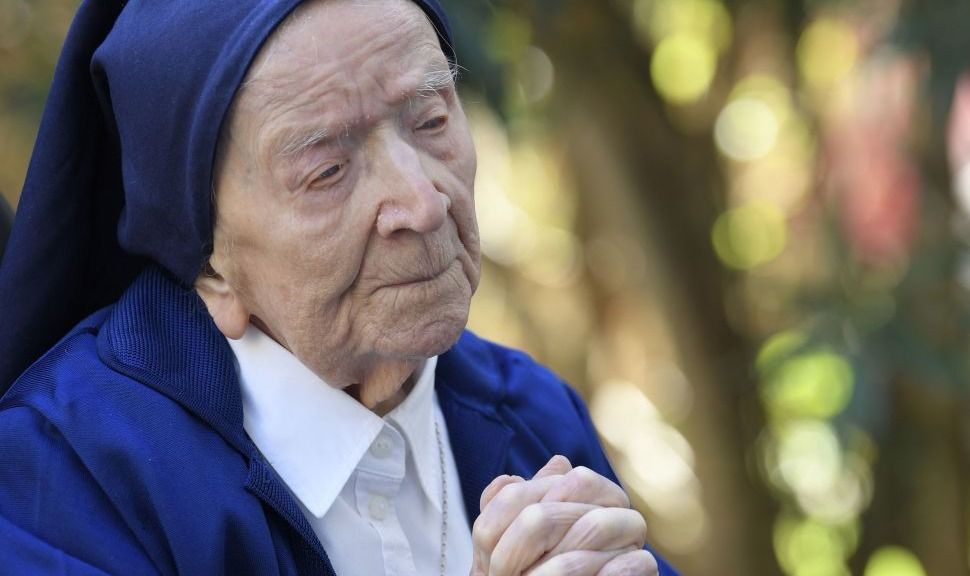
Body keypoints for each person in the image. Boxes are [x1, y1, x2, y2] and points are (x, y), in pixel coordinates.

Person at [0, 1, 679, 575]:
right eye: (327, 170)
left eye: (432, 120)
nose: (422, 201)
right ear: (210, 265)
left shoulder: (529, 413)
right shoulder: (62, 481)